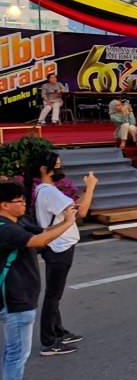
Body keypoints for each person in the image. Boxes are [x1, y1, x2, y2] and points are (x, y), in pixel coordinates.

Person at [0, 181, 80, 380]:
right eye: (19, 201)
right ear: (4, 205)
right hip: (15, 297)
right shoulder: (4, 228)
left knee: (14, 349)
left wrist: (64, 220)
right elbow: (39, 241)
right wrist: (68, 222)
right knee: (17, 351)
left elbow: (43, 233)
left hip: (22, 294)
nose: (24, 204)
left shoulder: (18, 221)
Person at [26, 151, 97, 357]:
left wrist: (86, 190)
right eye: (56, 166)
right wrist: (91, 186)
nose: (59, 169)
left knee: (55, 293)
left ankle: (58, 331)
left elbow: (75, 207)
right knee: (53, 295)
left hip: (58, 245)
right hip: (59, 247)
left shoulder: (45, 190)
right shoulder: (49, 191)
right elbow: (82, 212)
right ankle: (48, 342)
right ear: (43, 169)